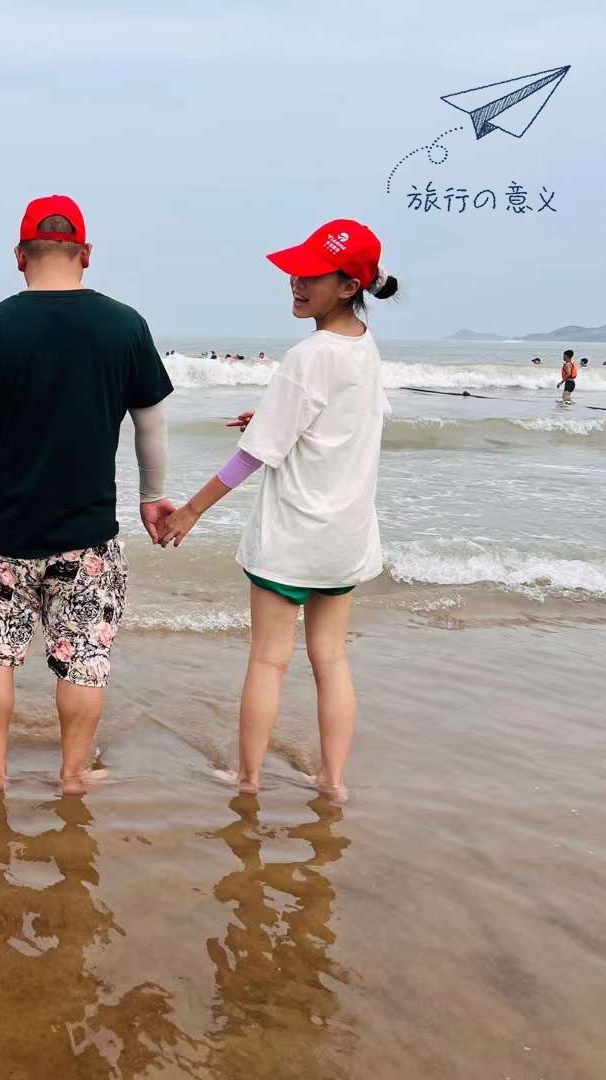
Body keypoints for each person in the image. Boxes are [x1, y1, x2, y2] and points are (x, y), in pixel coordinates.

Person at [0, 195, 175, 794]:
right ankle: (73, 775)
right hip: (88, 533)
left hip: (5, 531)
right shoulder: (125, 325)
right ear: (86, 253)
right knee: (83, 658)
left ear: (20, 255)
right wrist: (154, 495)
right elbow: (151, 423)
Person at [158, 219, 398, 802]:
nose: (296, 281)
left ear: (348, 286)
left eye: (312, 275)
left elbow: (254, 455)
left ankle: (248, 780)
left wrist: (190, 511)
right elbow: (352, 419)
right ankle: (332, 782)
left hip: (292, 538)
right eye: (296, 271)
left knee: (269, 661)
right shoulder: (363, 345)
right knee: (331, 660)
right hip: (345, 540)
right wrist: (268, 418)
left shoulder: (307, 355)